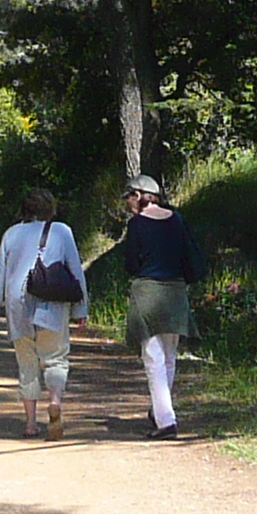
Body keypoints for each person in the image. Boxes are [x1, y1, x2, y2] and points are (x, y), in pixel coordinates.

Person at [0, 187, 88, 440]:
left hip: (19, 305)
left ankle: (30, 424)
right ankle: (55, 402)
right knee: (56, 358)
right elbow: (75, 271)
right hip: (53, 304)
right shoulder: (61, 231)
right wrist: (81, 308)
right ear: (50, 209)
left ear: (24, 209)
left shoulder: (11, 234)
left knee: (27, 364)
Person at [108, 172, 196, 439]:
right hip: (176, 291)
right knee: (169, 356)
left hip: (147, 291)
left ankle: (166, 421)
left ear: (138, 196)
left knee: (153, 358)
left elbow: (131, 264)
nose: (128, 205)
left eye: (128, 199)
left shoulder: (137, 225)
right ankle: (161, 410)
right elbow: (191, 258)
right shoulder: (177, 219)